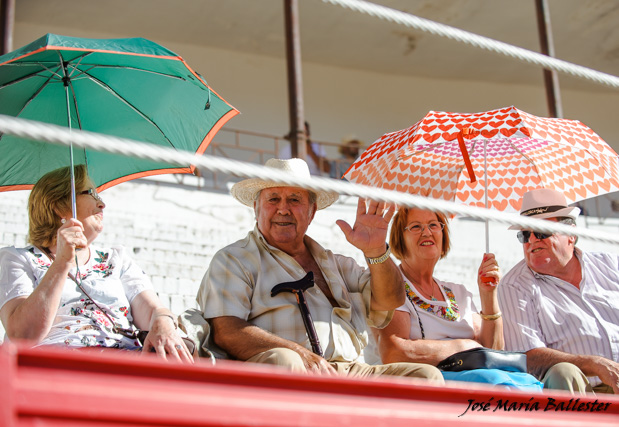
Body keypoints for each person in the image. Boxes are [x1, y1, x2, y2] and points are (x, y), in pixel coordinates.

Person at [197, 158, 443, 382]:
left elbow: (391, 299)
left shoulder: (338, 264)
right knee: (286, 362)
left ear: (311, 212)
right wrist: (299, 353)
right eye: (273, 199)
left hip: (350, 372)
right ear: (256, 207)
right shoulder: (235, 259)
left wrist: (376, 251)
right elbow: (226, 331)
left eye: (295, 199)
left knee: (426, 376)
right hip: (282, 369)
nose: (283, 209)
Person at [0, 165, 193, 362]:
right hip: (56, 365)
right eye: (91, 193)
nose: (102, 204)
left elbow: (152, 311)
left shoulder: (116, 259)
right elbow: (21, 335)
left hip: (125, 361)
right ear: (59, 205)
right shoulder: (17, 258)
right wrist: (61, 263)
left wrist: (163, 321)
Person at [374, 207, 540, 389]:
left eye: (433, 225)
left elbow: (493, 349)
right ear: (400, 238)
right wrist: (463, 347)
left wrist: (488, 294)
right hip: (431, 387)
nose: (427, 232)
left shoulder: (458, 292)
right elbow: (394, 352)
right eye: (415, 227)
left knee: (530, 387)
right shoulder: (391, 286)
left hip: (483, 380)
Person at [499, 188, 619, 394]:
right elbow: (527, 356)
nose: (532, 240)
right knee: (563, 372)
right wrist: (595, 364)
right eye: (525, 235)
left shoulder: (610, 264)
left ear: (571, 235)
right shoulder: (515, 286)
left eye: (541, 231)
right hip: (583, 393)